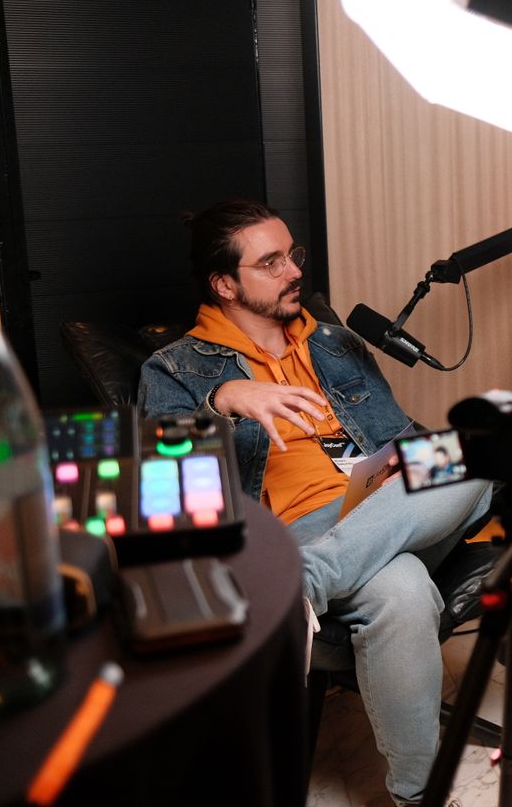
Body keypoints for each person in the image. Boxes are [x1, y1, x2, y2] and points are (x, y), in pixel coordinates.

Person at [137, 199, 492, 807]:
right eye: (270, 262)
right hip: (294, 530)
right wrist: (223, 401)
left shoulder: (337, 343)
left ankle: (302, 589)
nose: (294, 271)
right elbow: (161, 492)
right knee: (400, 590)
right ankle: (421, 798)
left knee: (485, 446)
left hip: (387, 507)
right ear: (225, 284)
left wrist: (424, 465)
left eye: (292, 254)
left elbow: (400, 439)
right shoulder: (175, 369)